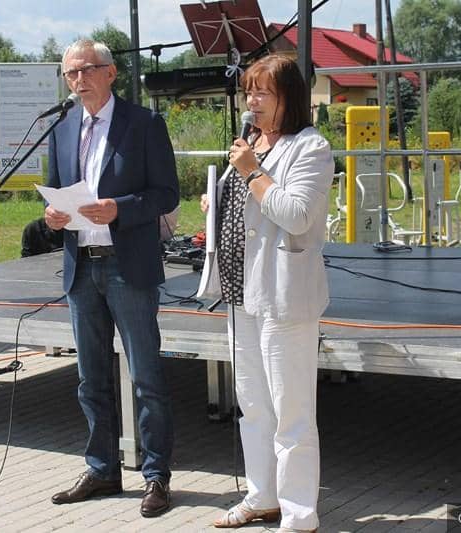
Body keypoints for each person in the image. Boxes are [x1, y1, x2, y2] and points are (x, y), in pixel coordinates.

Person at [44, 39, 179, 518]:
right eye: (70, 73)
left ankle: (156, 475)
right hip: (81, 266)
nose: (78, 80)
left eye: (86, 70)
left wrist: (119, 208)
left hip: (128, 267)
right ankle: (102, 469)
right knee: (90, 379)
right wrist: (52, 216)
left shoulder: (144, 124)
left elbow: (166, 194)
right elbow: (54, 192)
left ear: (110, 72)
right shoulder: (62, 128)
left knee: (146, 377)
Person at [201, 55, 333, 532]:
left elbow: (295, 214)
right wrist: (216, 201)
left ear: (288, 98)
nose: (252, 101)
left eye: (262, 92)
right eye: (248, 92)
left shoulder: (311, 147)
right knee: (253, 406)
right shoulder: (250, 144)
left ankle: (299, 517)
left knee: (291, 412)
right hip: (241, 291)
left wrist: (252, 173)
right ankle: (262, 497)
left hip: (284, 295)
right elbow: (246, 209)